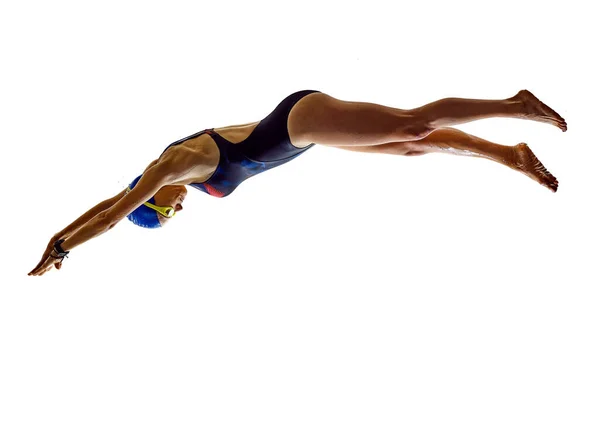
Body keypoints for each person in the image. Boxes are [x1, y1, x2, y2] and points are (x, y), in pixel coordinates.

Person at [29, 89, 567, 276]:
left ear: (154, 200)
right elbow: (113, 202)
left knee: (411, 123)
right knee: (411, 147)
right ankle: (510, 155)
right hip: (306, 137)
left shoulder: (171, 167)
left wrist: (63, 245)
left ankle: (514, 105)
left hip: (298, 119)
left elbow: (112, 210)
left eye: (166, 212)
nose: (178, 211)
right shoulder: (188, 179)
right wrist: (62, 235)